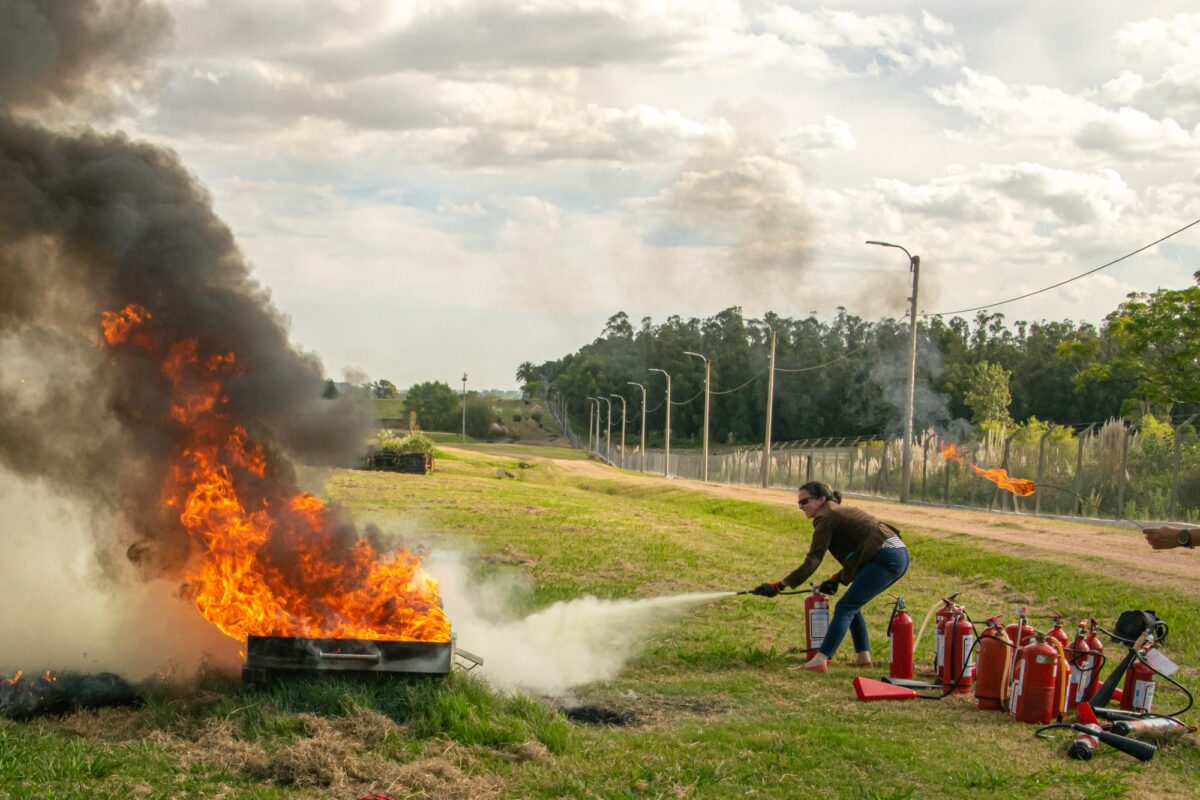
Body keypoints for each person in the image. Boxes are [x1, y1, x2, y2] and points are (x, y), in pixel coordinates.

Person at [751, 481, 909, 672]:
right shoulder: (834, 512)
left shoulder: (826, 517)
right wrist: (836, 579)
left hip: (887, 556)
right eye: (799, 503)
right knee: (852, 604)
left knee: (846, 606)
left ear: (821, 499)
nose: (800, 506)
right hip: (895, 553)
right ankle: (863, 656)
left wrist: (779, 585)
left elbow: (813, 560)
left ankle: (820, 660)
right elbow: (860, 552)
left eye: (804, 501)